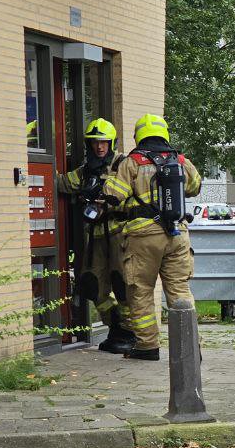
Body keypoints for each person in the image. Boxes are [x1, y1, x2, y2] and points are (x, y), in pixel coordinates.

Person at [102, 114, 201, 360]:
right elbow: (195, 186)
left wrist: (111, 177)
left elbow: (114, 195)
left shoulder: (132, 162)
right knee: (179, 290)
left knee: (141, 291)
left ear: (139, 136)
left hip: (143, 237)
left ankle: (147, 347)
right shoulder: (180, 160)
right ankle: (190, 346)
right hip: (177, 234)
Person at [56, 118, 132, 353]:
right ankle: (116, 328)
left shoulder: (123, 165)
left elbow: (135, 196)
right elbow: (62, 183)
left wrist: (105, 199)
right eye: (95, 142)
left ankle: (130, 333)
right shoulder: (85, 171)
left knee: (122, 286)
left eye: (104, 142)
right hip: (97, 237)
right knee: (92, 286)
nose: (99, 147)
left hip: (120, 234)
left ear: (111, 143)